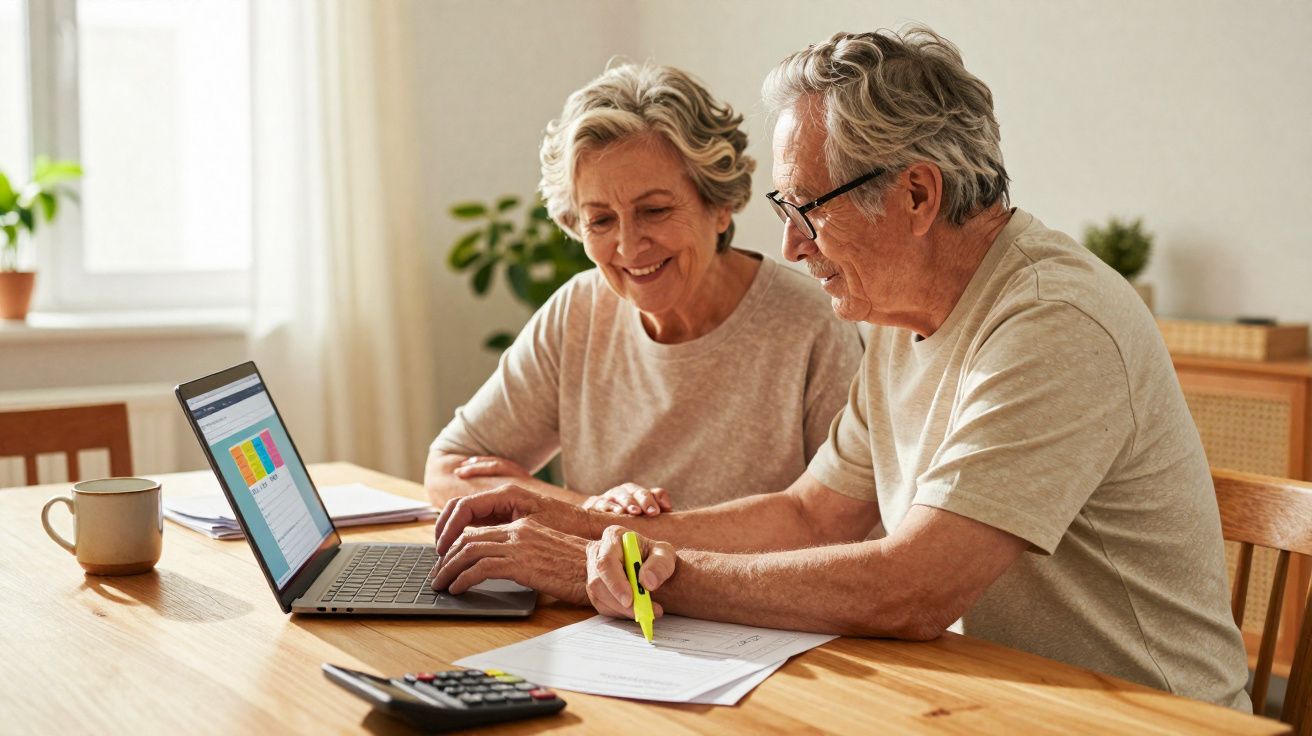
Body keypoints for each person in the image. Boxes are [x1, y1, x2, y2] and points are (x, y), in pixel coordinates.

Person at [428, 27, 1252, 710]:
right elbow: (813, 517)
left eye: (806, 209)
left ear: (918, 197)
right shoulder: (899, 308)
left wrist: (632, 573)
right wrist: (582, 529)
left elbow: (914, 587)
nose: (788, 244)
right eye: (785, 211)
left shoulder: (1051, 321)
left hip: (1140, 717)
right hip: (999, 699)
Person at [425, 63, 861, 521]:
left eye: (654, 210)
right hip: (596, 593)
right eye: (600, 220)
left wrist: (617, 530)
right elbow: (449, 468)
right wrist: (592, 511)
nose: (629, 246)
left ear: (720, 205)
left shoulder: (812, 327)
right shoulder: (579, 311)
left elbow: (838, 530)